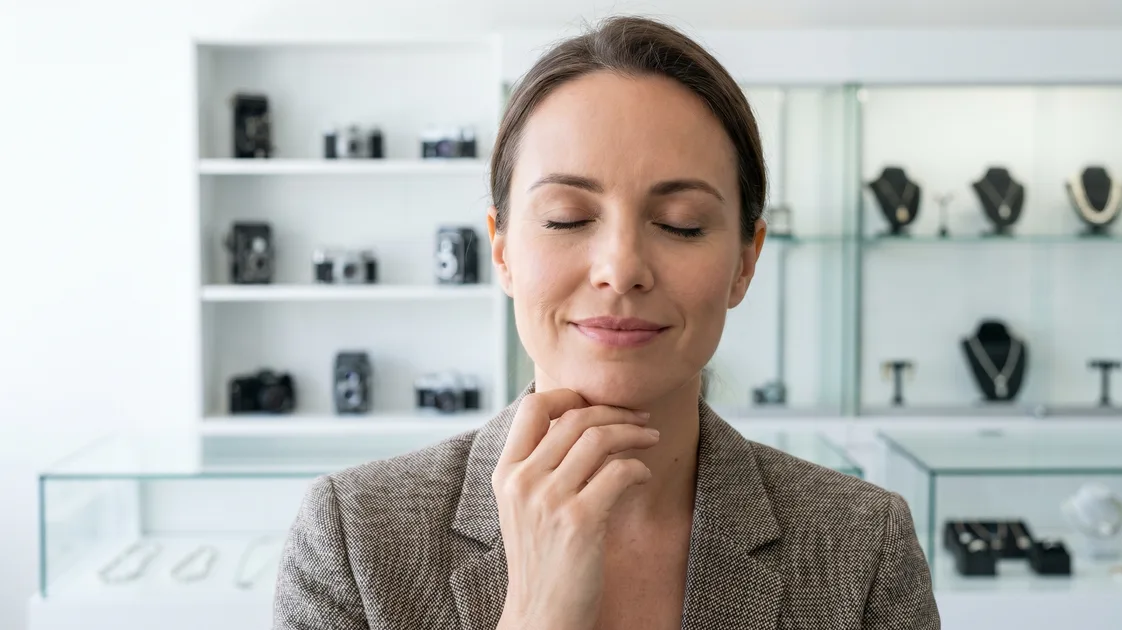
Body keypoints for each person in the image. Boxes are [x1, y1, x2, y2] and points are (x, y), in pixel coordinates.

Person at [273, 15, 939, 630]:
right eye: (567, 217)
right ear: (502, 251)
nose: (620, 269)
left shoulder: (861, 546)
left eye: (681, 224)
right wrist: (536, 611)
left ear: (744, 262)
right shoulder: (354, 541)